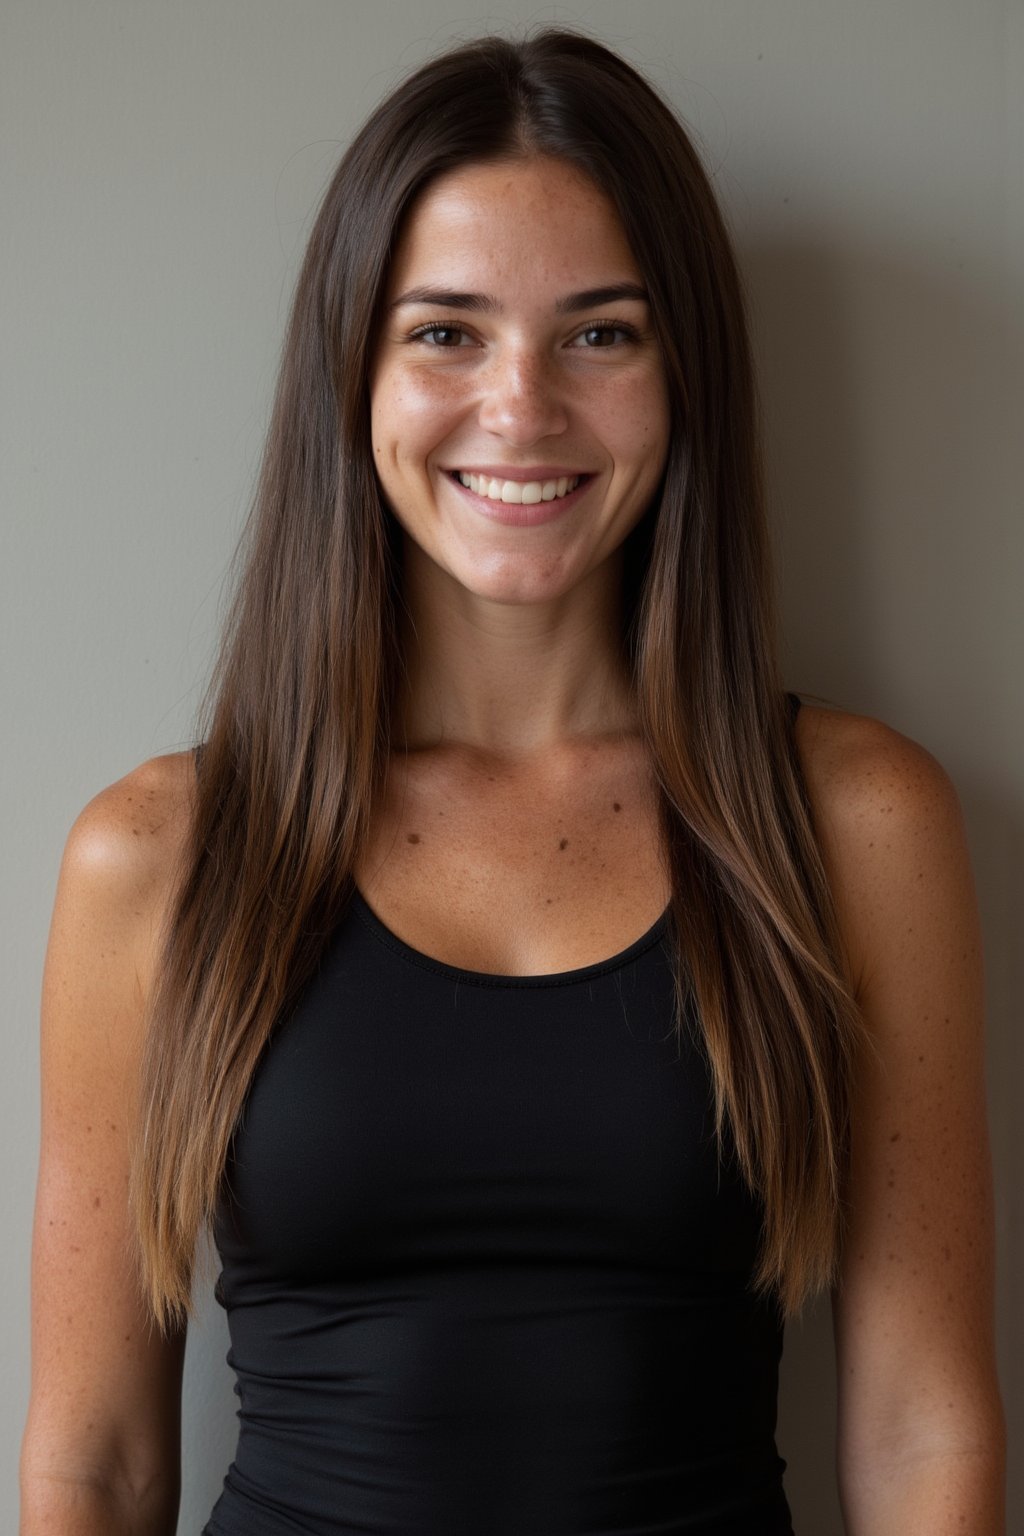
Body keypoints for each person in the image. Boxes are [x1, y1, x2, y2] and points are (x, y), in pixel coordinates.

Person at [19, 28, 1005, 1536]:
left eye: (600, 333)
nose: (522, 405)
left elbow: (926, 1428)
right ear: (353, 371)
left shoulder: (855, 825)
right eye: (447, 332)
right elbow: (96, 1461)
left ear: (686, 374)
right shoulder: (160, 856)